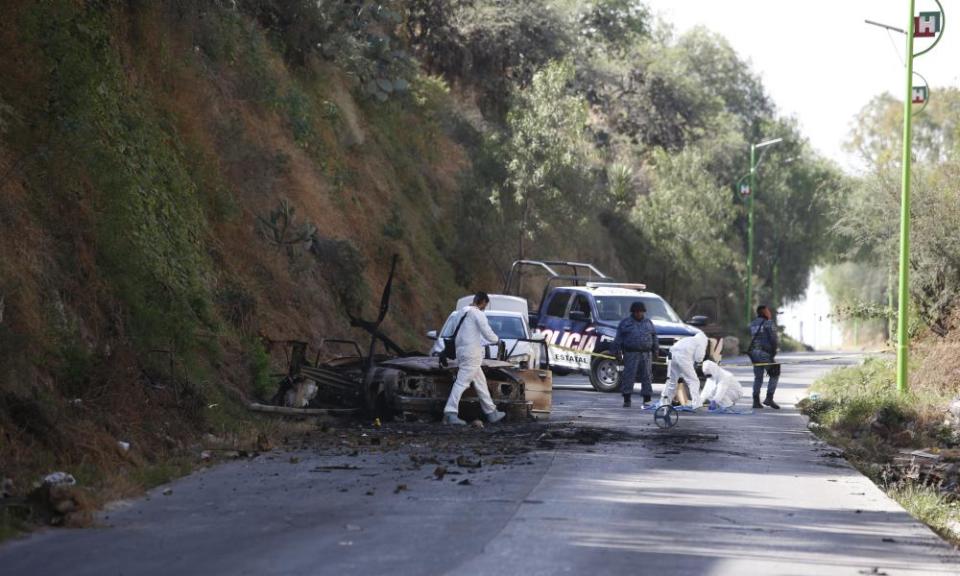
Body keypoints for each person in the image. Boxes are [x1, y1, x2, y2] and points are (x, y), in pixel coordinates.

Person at [442, 292, 507, 425]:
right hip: (472, 354)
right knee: (461, 383)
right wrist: (497, 340)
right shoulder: (477, 313)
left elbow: (456, 330)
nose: (484, 307)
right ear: (482, 302)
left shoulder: (461, 312)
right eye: (485, 305)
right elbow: (487, 332)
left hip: (461, 352)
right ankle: (450, 412)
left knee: (480, 382)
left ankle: (491, 412)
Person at [612, 301, 658, 407]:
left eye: (641, 312)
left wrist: (656, 349)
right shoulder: (625, 323)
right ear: (633, 312)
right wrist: (617, 351)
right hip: (631, 353)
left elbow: (654, 336)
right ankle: (627, 398)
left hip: (646, 354)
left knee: (647, 376)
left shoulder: (648, 323)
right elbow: (618, 338)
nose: (639, 314)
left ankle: (647, 399)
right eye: (637, 312)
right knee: (629, 376)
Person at [660, 331, 708, 410]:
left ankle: (664, 403)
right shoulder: (701, 342)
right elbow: (699, 358)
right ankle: (697, 404)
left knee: (671, 381)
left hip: (671, 357)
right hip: (683, 359)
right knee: (693, 381)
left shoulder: (688, 339)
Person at [748, 305, 780, 409]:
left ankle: (755, 401)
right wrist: (773, 352)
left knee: (758, 377)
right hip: (764, 353)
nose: (769, 313)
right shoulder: (768, 323)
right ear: (763, 312)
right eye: (768, 311)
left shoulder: (752, 324)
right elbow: (773, 339)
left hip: (754, 353)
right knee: (774, 373)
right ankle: (769, 398)